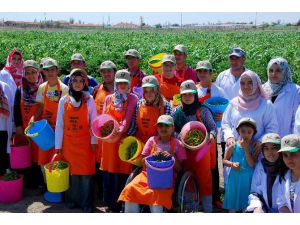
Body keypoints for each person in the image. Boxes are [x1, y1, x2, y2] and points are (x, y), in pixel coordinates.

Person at [119, 115, 187, 212]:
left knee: (155, 196)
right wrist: (151, 157)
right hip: (147, 175)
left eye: (167, 126)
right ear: (157, 128)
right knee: (130, 189)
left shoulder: (178, 144)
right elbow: (142, 161)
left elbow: (180, 169)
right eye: (160, 126)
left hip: (166, 180)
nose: (163, 128)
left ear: (173, 128)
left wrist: (171, 158)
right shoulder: (151, 140)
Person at [55, 68, 97, 213]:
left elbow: (94, 122)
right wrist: (58, 146)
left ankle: (87, 203)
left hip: (86, 144)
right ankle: (72, 200)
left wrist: (93, 142)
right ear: (71, 82)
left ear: (85, 83)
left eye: (81, 81)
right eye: (75, 81)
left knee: (86, 175)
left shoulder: (89, 99)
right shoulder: (63, 100)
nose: (78, 84)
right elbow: (59, 124)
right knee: (71, 174)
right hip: (69, 144)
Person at [172, 80, 217, 212]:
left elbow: (213, 127)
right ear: (181, 96)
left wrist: (213, 135)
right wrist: (178, 136)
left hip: (202, 150)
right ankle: (190, 206)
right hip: (185, 149)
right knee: (187, 173)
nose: (187, 97)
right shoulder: (177, 112)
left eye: (190, 94)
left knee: (204, 178)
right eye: (184, 95)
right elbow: (172, 129)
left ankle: (208, 208)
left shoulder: (202, 110)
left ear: (195, 95)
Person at [100, 69, 138, 212]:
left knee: (123, 172)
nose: (122, 85)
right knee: (110, 172)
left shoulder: (133, 98)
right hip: (109, 142)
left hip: (123, 140)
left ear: (129, 84)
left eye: (125, 83)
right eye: (119, 83)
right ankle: (110, 203)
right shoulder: (109, 98)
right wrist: (108, 131)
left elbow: (128, 118)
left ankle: (121, 204)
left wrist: (120, 130)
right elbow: (104, 117)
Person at [222, 71, 278, 162]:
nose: (246, 86)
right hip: (235, 150)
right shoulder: (233, 103)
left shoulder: (266, 104)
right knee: (235, 174)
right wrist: (229, 137)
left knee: (254, 175)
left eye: (250, 83)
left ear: (256, 84)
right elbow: (225, 123)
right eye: (242, 83)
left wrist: (261, 141)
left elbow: (272, 127)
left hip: (256, 152)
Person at [195, 60, 227, 208]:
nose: (202, 74)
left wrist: (223, 116)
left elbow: (228, 107)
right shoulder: (194, 90)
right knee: (198, 164)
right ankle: (198, 195)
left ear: (211, 73)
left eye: (205, 71)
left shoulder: (218, 90)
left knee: (213, 166)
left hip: (213, 133)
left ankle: (214, 196)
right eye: (200, 71)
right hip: (197, 133)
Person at [31, 58, 69, 166]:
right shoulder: (42, 88)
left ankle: (59, 180)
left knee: (58, 156)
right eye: (47, 70)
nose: (50, 73)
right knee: (45, 155)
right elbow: (40, 107)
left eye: (52, 69)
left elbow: (66, 111)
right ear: (43, 72)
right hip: (46, 129)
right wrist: (33, 118)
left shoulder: (64, 89)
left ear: (57, 70)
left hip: (59, 128)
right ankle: (46, 181)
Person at [13, 60, 44, 187]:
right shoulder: (20, 89)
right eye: (28, 73)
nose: (31, 75)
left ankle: (39, 182)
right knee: (26, 153)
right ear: (24, 74)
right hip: (24, 127)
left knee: (38, 154)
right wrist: (19, 126)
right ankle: (28, 182)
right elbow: (16, 108)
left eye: (33, 72)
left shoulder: (42, 88)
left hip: (38, 129)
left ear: (38, 73)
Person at [92, 60, 116, 202]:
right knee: (98, 163)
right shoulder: (96, 89)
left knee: (110, 164)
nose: (106, 74)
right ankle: (100, 193)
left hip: (113, 135)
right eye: (104, 71)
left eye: (109, 71)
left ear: (114, 72)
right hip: (97, 133)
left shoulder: (120, 88)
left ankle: (110, 196)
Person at [223, 117, 256, 212]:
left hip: (247, 178)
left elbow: (251, 164)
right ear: (238, 131)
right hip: (235, 178)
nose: (246, 134)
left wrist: (246, 149)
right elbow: (225, 160)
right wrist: (232, 164)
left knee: (246, 200)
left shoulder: (253, 148)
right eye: (243, 131)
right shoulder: (233, 146)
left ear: (253, 133)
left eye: (249, 132)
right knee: (234, 199)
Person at [127, 75, 172, 143]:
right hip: (140, 141)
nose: (149, 94)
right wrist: (128, 137)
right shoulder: (139, 104)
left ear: (157, 90)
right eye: (146, 91)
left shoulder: (165, 105)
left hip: (158, 142)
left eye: (152, 91)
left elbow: (168, 129)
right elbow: (134, 124)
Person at [263, 57, 300, 137]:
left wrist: (294, 140)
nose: (273, 74)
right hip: (265, 140)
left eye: (278, 70)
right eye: (271, 70)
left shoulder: (295, 90)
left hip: (286, 138)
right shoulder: (262, 89)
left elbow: (296, 119)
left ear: (285, 71)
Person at [247, 133, 281, 213]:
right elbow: (255, 193)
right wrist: (257, 207)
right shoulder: (260, 166)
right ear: (262, 150)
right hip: (265, 209)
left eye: (274, 148)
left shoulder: (287, 167)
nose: (270, 152)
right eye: (266, 148)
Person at [276, 134, 300, 213]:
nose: (289, 159)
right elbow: (282, 203)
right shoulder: (284, 176)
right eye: (285, 155)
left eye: (293, 154)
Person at [0, 80, 13, 176]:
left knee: (3, 157)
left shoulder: (5, 86)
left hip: (3, 128)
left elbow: (12, 106)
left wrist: (13, 128)